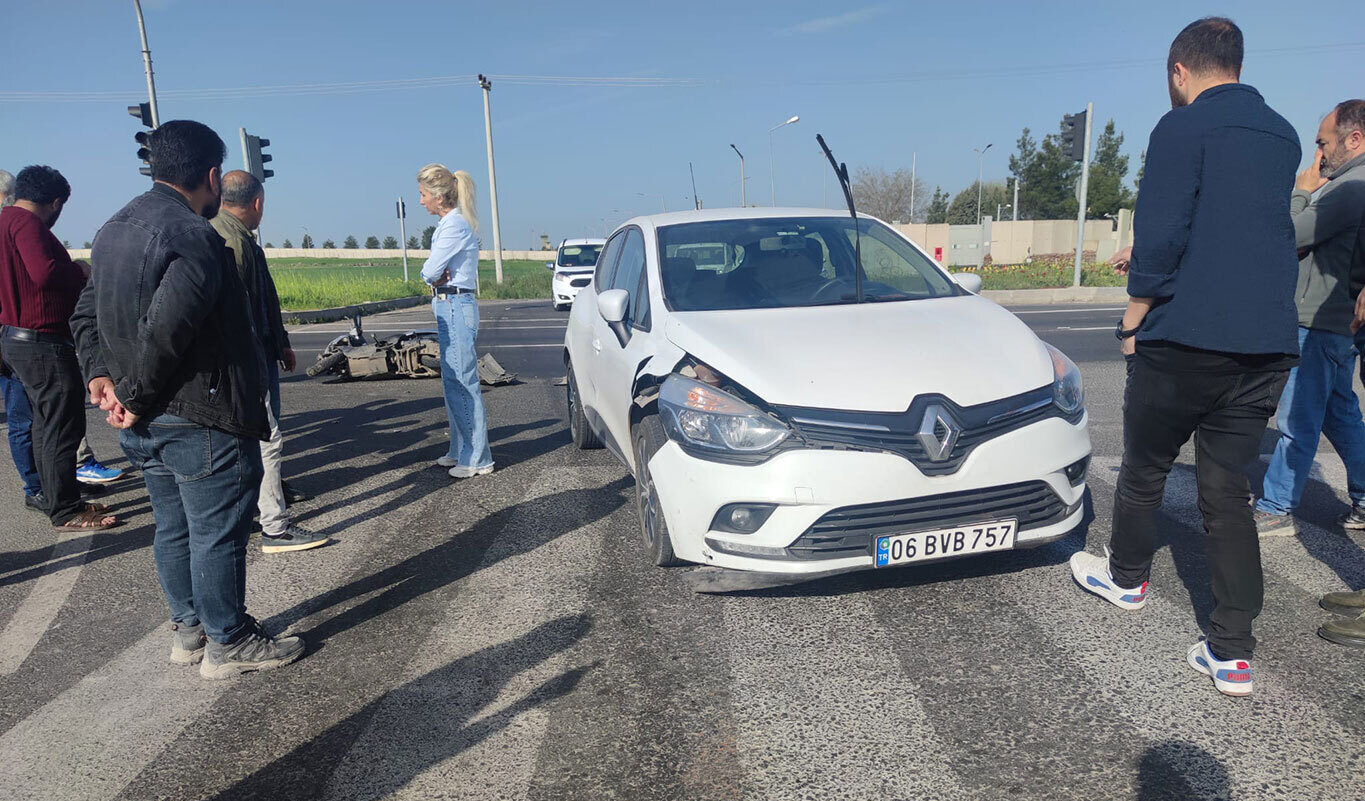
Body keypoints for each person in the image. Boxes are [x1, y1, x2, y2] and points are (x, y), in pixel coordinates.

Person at [1068, 18, 1301, 697]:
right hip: (1265, 344)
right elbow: (1234, 228)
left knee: (1143, 468)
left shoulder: (1181, 126)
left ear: (1179, 71)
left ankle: (1126, 580)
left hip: (1186, 338)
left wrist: (1131, 318)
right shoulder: (1281, 134)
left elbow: (1164, 232)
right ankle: (1231, 654)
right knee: (1226, 492)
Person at [72, 120, 302, 678]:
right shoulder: (194, 235)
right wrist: (129, 393)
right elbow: (166, 331)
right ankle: (229, 642)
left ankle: (189, 632)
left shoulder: (112, 228)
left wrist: (99, 377)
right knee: (216, 531)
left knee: (173, 528)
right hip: (196, 413)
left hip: (143, 421)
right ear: (211, 175)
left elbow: (85, 313)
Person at [1266, 99, 1365, 648]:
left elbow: (1292, 230)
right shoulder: (1349, 183)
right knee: (1339, 414)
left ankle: (1276, 507)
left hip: (1321, 320)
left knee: (1298, 418)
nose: (1318, 153)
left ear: (1353, 139)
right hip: (1332, 320)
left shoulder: (1349, 188)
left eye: (1324, 142)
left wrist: (1302, 189)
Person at [210, 170, 326, 553]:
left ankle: (261, 505)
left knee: (253, 441)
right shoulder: (235, 242)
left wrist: (282, 342)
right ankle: (275, 527)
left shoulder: (228, 233)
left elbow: (263, 302)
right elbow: (240, 314)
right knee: (267, 438)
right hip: (248, 361)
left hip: (255, 354)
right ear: (257, 202)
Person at [0, 166, 118, 531]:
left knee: (42, 424)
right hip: (40, 339)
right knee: (61, 425)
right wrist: (79, 272)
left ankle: (56, 497)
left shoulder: (5, 220)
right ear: (55, 203)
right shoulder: (27, 224)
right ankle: (66, 510)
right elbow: (45, 273)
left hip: (14, 337)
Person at [417, 164, 493, 478]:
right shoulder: (451, 225)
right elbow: (435, 272)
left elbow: (430, 271)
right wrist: (434, 274)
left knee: (463, 382)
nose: (421, 201)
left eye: (423, 195)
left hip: (455, 304)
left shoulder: (453, 227)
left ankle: (478, 457)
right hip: (449, 303)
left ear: (437, 196)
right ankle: (460, 449)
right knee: (453, 382)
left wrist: (431, 275)